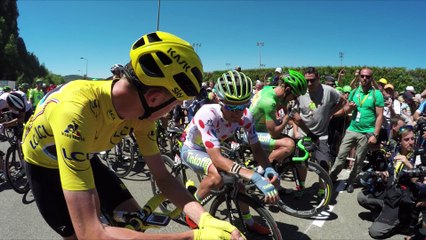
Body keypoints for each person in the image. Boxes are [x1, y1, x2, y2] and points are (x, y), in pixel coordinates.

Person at [21, 31, 244, 240]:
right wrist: (192, 236)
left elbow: (163, 177)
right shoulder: (76, 113)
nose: (169, 112)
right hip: (45, 168)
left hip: (85, 156)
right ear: (155, 98)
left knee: (136, 218)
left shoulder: (142, 115)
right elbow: (92, 234)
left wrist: (204, 219)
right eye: (174, 105)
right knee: (79, 235)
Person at [180, 70, 279, 235]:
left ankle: (248, 221)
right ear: (220, 101)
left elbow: (256, 148)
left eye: (242, 106)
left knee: (238, 183)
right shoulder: (208, 113)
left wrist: (268, 167)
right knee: (216, 176)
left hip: (212, 147)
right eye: (231, 107)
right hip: (192, 148)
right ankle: (191, 211)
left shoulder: (246, 117)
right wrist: (255, 176)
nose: (237, 113)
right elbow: (217, 159)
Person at [329, 67, 384, 193]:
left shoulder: (377, 94)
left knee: (359, 161)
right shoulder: (354, 92)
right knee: (340, 156)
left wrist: (375, 134)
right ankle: (331, 177)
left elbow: (380, 116)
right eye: (362, 76)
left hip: (366, 132)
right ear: (359, 77)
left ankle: (350, 181)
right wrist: (350, 108)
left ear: (371, 78)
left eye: (368, 76)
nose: (364, 78)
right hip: (352, 129)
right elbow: (347, 109)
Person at [249, 70, 307, 179]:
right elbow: (274, 133)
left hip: (261, 130)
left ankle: (275, 183)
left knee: (290, 141)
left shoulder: (271, 90)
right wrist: (287, 118)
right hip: (252, 134)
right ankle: (262, 170)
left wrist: (307, 133)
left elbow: (290, 116)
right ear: (288, 90)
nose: (295, 99)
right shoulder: (269, 101)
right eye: (295, 96)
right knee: (289, 145)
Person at [292, 67, 346, 173]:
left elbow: (343, 101)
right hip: (303, 135)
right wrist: (295, 132)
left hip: (321, 136)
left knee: (323, 166)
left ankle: (322, 189)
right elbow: (295, 113)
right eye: (306, 81)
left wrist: (331, 112)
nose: (309, 83)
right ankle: (302, 188)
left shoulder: (328, 90)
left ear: (318, 78)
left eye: (312, 80)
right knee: (301, 165)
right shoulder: (300, 92)